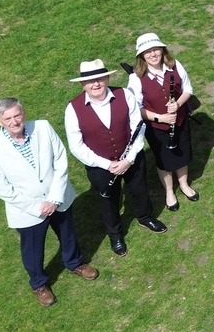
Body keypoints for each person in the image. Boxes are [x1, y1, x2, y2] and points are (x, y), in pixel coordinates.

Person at [0, 98, 99, 307]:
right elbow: (3, 189)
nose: (14, 121)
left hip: (58, 198)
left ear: (23, 113)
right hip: (27, 211)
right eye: (7, 118)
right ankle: (39, 284)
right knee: (33, 249)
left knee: (67, 233)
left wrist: (54, 198)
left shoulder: (42, 128)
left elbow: (60, 160)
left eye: (17, 115)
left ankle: (75, 263)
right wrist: (37, 207)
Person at [65, 59, 167, 256]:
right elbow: (76, 146)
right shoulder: (73, 109)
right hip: (101, 167)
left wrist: (128, 159)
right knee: (108, 200)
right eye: (90, 81)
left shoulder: (124, 95)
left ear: (107, 77)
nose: (96, 84)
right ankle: (115, 234)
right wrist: (107, 164)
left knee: (139, 190)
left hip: (132, 158)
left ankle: (145, 217)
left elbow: (138, 127)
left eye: (100, 78)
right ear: (82, 84)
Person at [126, 32, 198, 213]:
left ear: (162, 49)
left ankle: (183, 184)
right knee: (164, 159)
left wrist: (179, 103)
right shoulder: (136, 78)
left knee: (183, 153)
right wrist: (161, 118)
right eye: (147, 52)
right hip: (156, 126)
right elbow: (136, 108)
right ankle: (169, 191)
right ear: (141, 56)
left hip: (180, 120)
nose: (152, 54)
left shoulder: (175, 65)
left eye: (155, 49)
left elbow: (188, 88)